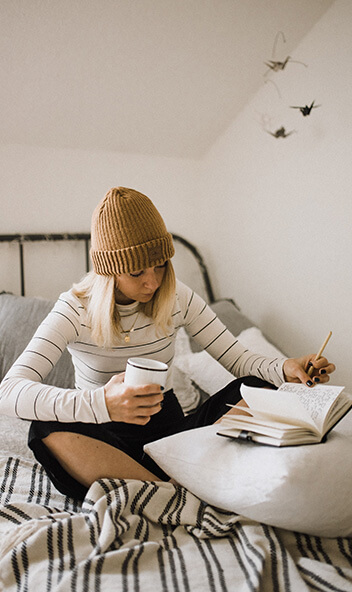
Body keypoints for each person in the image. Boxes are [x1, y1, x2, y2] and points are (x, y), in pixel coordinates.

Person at [0, 187, 335, 500]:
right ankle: (170, 490)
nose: (152, 281)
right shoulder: (75, 308)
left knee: (256, 387)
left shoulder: (176, 297)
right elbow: (10, 392)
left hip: (174, 438)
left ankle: (162, 486)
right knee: (43, 427)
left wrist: (284, 368)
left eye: (160, 266)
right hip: (105, 442)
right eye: (136, 273)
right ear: (109, 272)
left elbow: (239, 358)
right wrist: (101, 403)